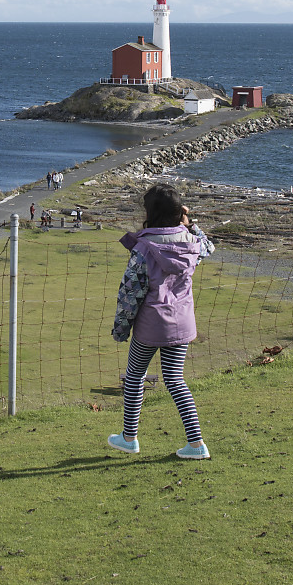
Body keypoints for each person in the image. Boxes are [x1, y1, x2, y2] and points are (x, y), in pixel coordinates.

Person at [107, 183, 214, 460]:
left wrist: (121, 329)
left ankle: (129, 437)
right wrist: (190, 224)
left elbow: (130, 293)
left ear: (151, 213)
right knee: (175, 380)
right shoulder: (191, 243)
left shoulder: (144, 248)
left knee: (134, 377)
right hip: (182, 323)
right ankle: (196, 443)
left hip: (150, 326)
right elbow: (209, 247)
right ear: (179, 213)